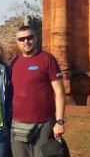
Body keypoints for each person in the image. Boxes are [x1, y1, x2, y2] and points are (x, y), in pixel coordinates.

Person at [10, 25, 66, 157]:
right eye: (22, 39)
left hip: (44, 124)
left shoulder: (47, 59)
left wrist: (59, 122)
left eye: (30, 37)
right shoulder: (14, 63)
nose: (26, 42)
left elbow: (59, 92)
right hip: (17, 124)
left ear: (36, 39)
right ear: (17, 42)